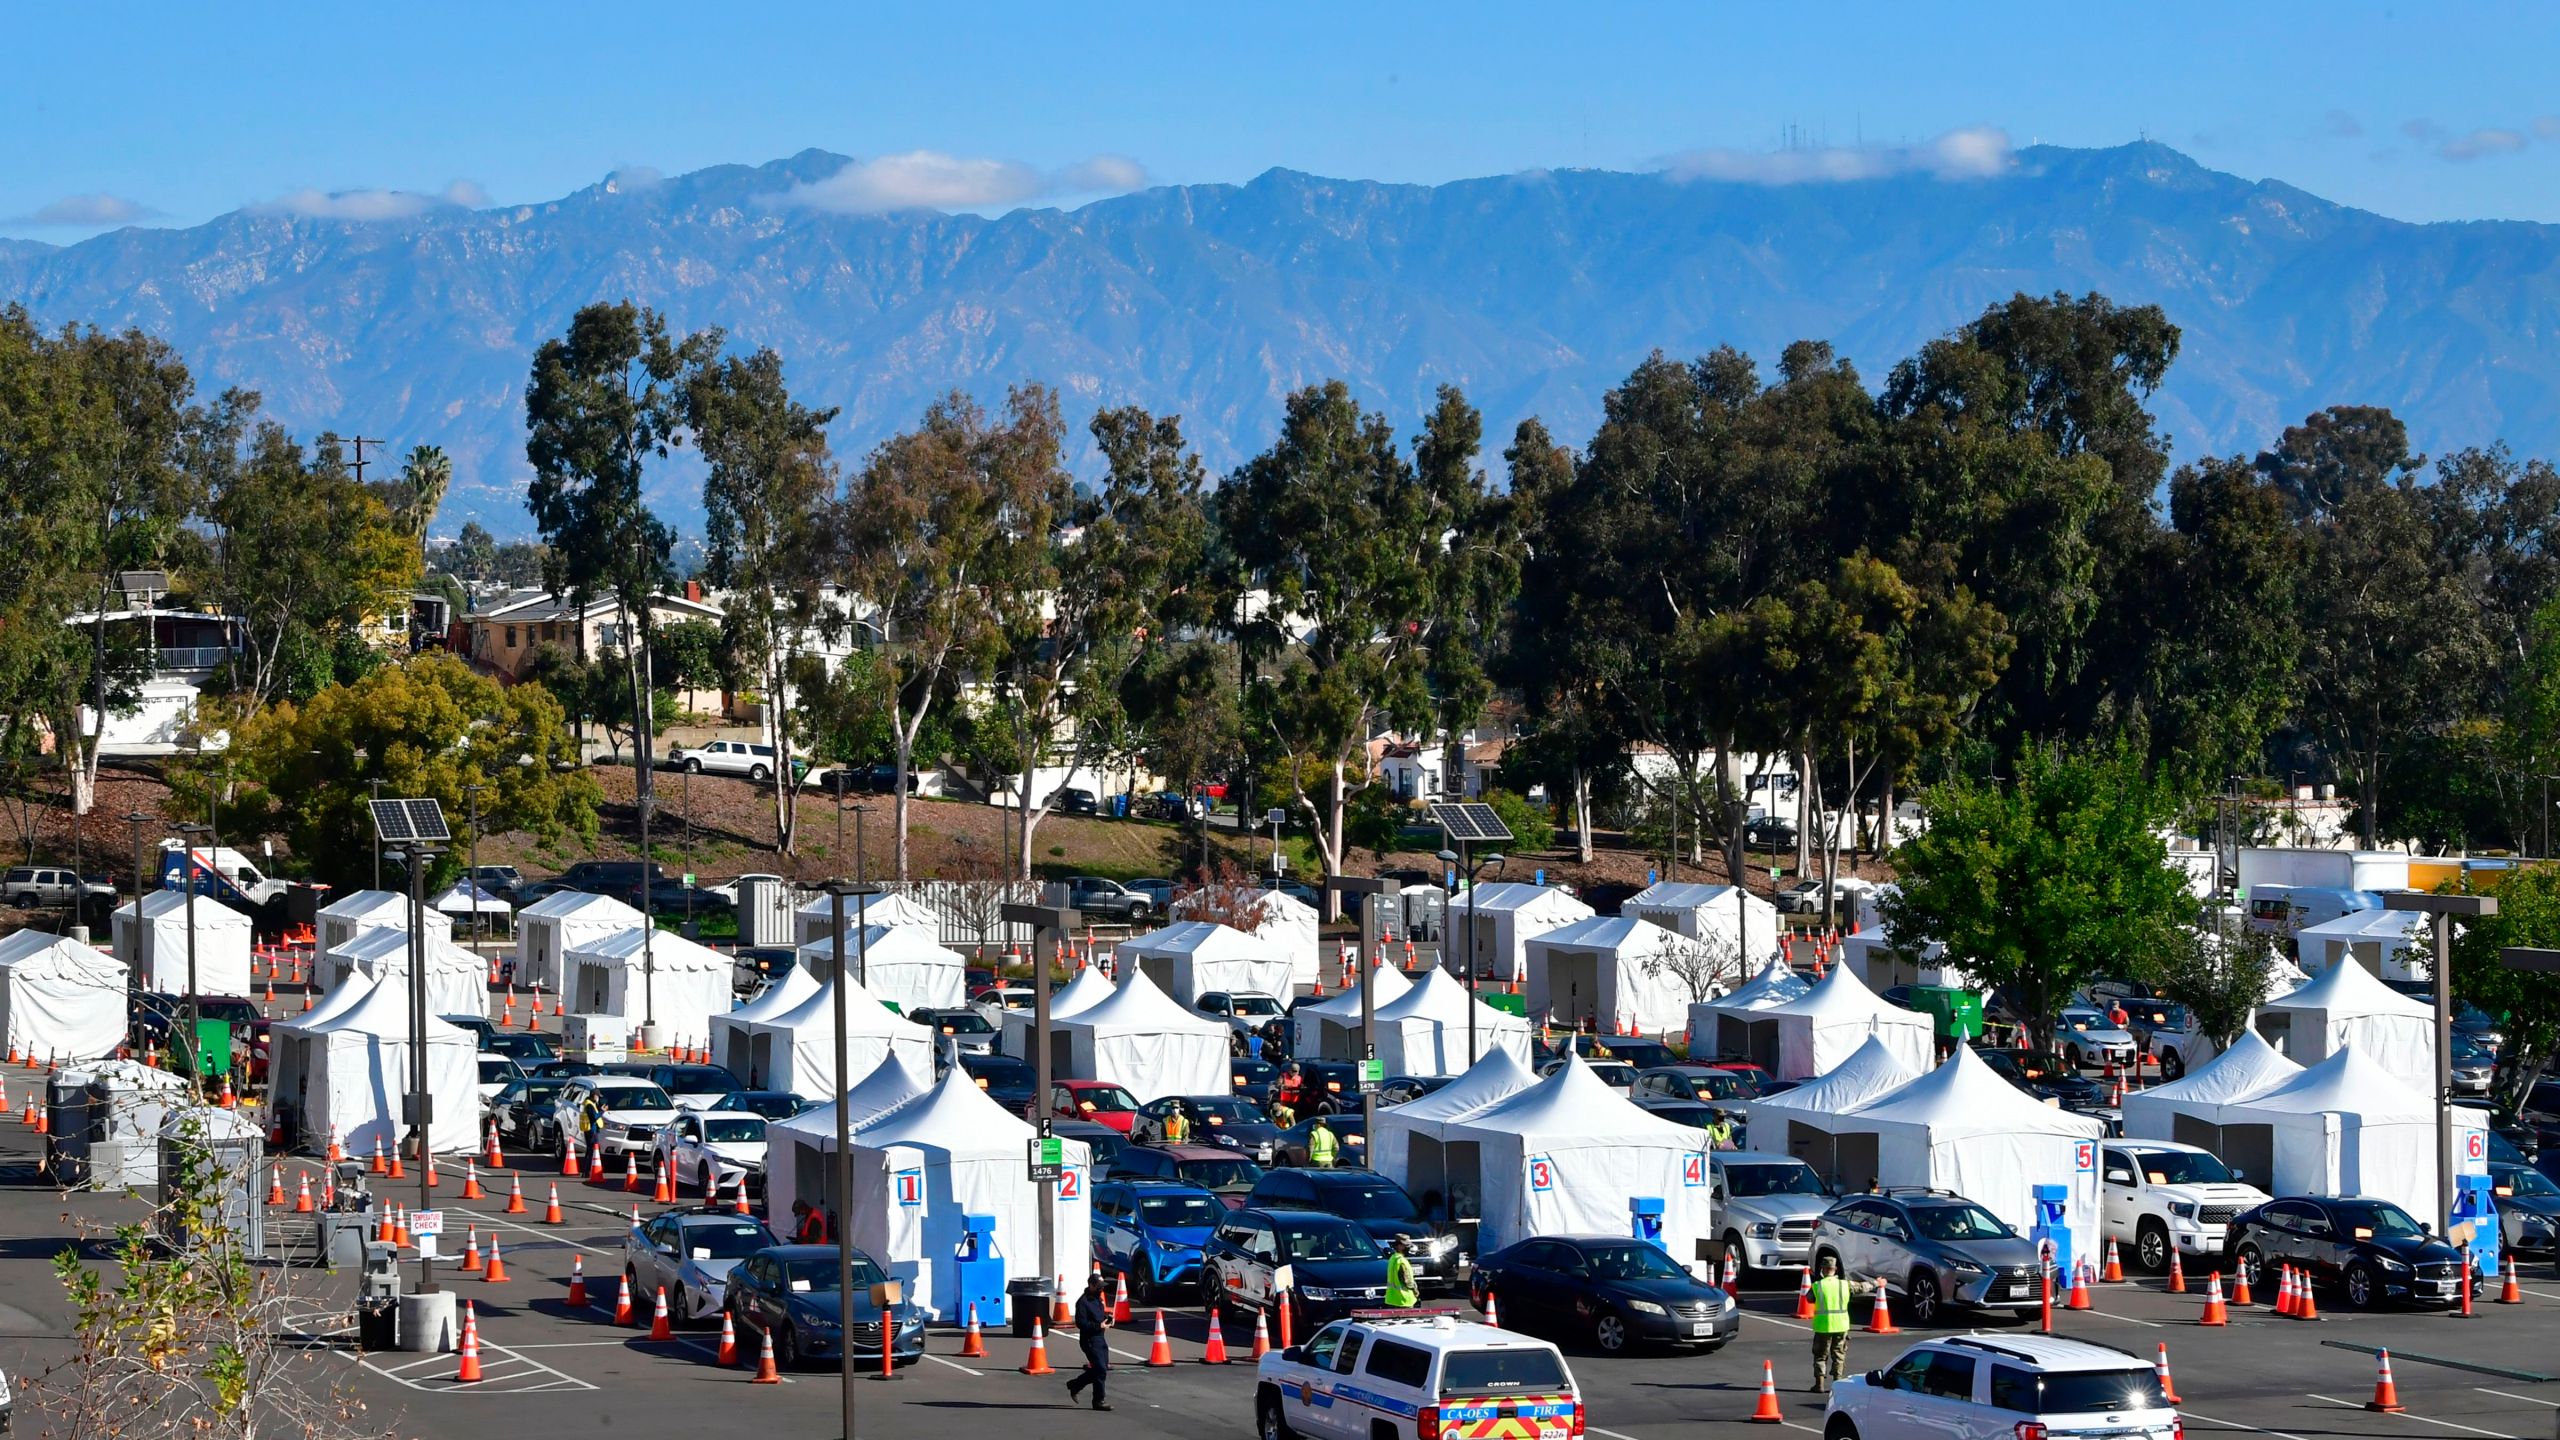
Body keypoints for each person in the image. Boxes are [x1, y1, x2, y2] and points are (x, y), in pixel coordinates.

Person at [1808, 1253, 1880, 1394]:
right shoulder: (1844, 1284)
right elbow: (1862, 1287)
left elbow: (1809, 1298)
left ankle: (1819, 1384)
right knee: (1839, 1355)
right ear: (1835, 1269)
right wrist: (1877, 1283)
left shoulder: (1817, 1286)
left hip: (1823, 1326)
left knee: (1820, 1355)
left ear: (1823, 1269)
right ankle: (1837, 1382)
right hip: (1841, 1326)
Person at [1064, 1273, 1112, 1412]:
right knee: (1100, 1369)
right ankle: (1099, 1400)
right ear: (1091, 1285)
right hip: (1090, 1340)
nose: (1101, 1290)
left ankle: (1075, 1385)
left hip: (1100, 1338)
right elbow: (1081, 1323)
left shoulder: (1098, 1300)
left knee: (1101, 1369)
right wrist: (1098, 1326)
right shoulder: (1083, 1302)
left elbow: (1098, 1316)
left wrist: (1107, 1318)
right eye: (1098, 1287)